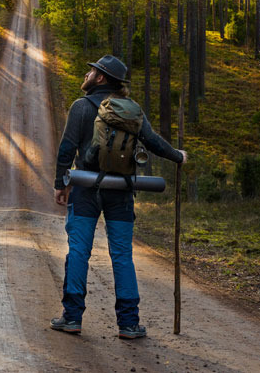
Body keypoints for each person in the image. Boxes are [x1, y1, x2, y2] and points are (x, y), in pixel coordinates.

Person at [50, 54, 186, 340]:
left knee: (79, 252)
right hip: (122, 192)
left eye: (91, 71)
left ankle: (72, 317)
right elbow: (153, 141)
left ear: (100, 78)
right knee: (122, 255)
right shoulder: (132, 110)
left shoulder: (81, 107)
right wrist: (178, 157)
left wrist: (61, 183)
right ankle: (128, 323)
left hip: (86, 189)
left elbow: (67, 148)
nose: (86, 75)